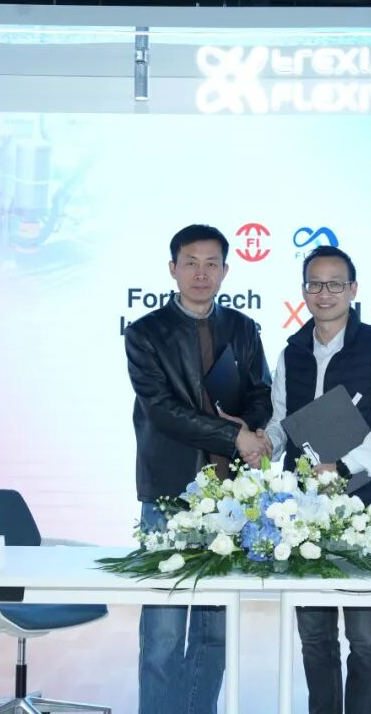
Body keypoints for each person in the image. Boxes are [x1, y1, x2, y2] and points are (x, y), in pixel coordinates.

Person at [124, 224, 272, 714]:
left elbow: (261, 392)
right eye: (191, 263)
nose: (201, 273)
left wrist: (249, 426)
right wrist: (233, 437)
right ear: (173, 269)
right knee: (163, 632)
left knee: (215, 631)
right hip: (170, 492)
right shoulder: (145, 333)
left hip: (231, 495)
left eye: (212, 264)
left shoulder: (243, 328)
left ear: (226, 270)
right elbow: (163, 411)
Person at [263, 245, 371, 714]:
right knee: (314, 636)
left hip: (362, 506)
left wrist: (344, 467)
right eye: (314, 284)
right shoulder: (292, 352)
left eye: (334, 284)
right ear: (303, 291)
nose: (323, 293)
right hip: (304, 510)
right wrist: (264, 443)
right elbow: (281, 420)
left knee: (365, 638)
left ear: (352, 289)